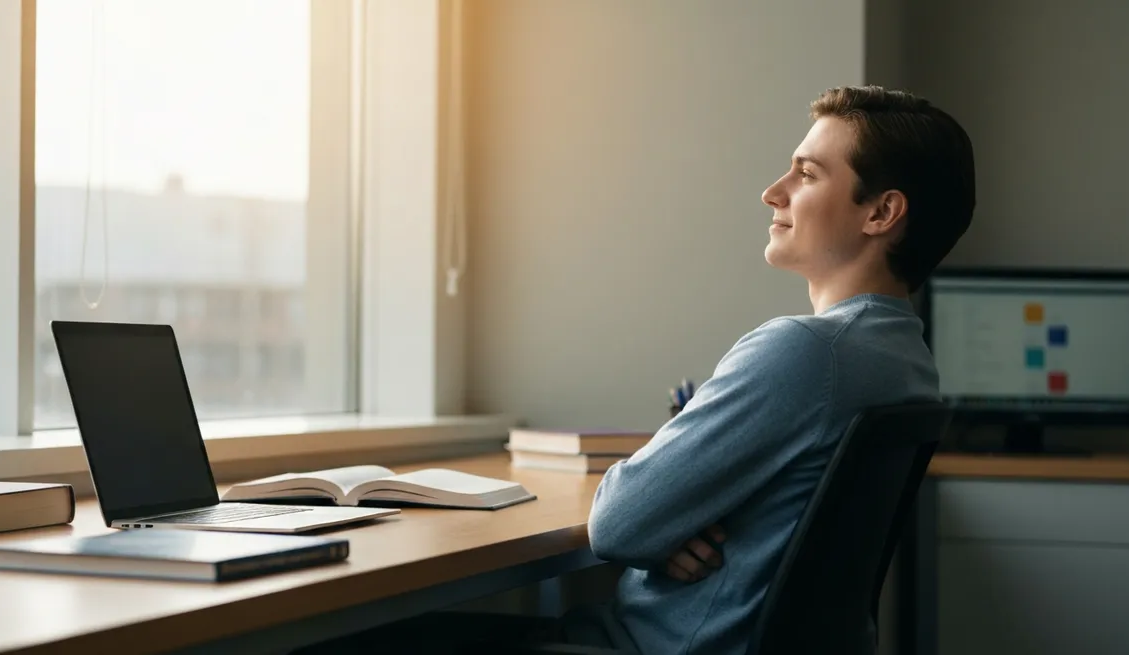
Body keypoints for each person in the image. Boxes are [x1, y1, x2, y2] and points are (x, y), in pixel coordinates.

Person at [296, 84, 976, 655]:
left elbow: (620, 524)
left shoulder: (807, 352)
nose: (773, 192)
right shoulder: (903, 358)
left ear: (881, 212)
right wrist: (675, 517)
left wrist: (663, 516)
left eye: (807, 174)